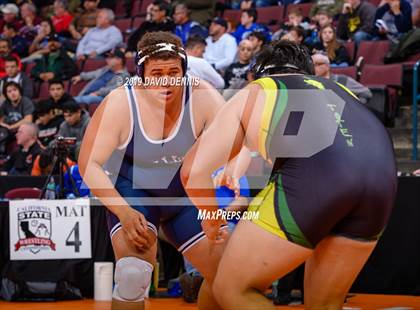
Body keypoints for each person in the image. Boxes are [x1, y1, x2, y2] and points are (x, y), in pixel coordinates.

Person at [180, 40, 397, 309]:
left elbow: (192, 171)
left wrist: (212, 221)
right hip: (381, 182)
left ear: (256, 75)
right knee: (324, 304)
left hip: (319, 178)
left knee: (232, 288)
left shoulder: (258, 90)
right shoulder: (340, 90)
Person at [78, 31, 229, 310]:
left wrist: (213, 209)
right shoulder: (120, 102)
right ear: (142, 74)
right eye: (156, 72)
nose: (166, 80)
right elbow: (89, 165)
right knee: (132, 274)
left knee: (228, 275)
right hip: (134, 192)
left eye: (173, 71)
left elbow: (233, 147)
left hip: (183, 195)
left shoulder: (204, 97)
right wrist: (123, 211)